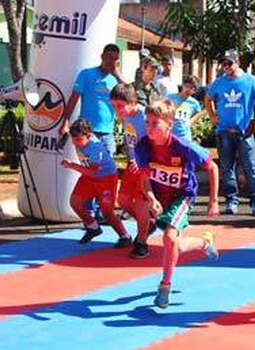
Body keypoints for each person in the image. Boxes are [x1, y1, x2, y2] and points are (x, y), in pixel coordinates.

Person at [133, 99, 220, 308]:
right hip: (161, 196)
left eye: (155, 123)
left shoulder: (184, 146)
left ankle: (165, 286)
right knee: (175, 244)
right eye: (148, 123)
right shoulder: (142, 146)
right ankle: (205, 243)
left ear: (169, 125)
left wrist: (213, 201)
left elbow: (213, 167)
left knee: (169, 237)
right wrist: (151, 199)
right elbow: (144, 179)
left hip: (183, 195)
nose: (150, 128)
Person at [205, 49, 255, 216]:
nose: (225, 66)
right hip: (224, 131)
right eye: (223, 63)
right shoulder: (219, 82)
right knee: (227, 168)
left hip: (245, 132)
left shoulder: (250, 81)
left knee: (250, 167)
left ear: (237, 62)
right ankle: (231, 200)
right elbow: (208, 98)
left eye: (229, 63)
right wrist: (212, 116)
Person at [60, 118, 132, 248]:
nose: (76, 143)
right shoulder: (79, 137)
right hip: (88, 177)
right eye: (73, 139)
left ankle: (125, 236)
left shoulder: (95, 147)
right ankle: (93, 227)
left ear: (88, 136)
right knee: (75, 202)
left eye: (79, 140)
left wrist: (72, 166)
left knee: (107, 212)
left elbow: (94, 172)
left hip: (106, 178)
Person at [110, 83, 153, 259]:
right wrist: (132, 158)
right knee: (123, 200)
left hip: (145, 166)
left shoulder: (145, 116)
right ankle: (147, 225)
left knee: (140, 204)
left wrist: (143, 162)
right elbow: (131, 141)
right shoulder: (126, 115)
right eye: (113, 106)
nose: (117, 110)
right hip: (132, 164)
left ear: (132, 101)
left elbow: (153, 142)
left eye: (119, 106)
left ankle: (142, 242)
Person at [59, 43, 124, 156]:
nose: (110, 61)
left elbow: (130, 96)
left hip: (107, 133)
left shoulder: (116, 80)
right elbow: (74, 98)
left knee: (107, 170)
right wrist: (65, 121)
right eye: (108, 57)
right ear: (102, 56)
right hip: (87, 131)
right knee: (89, 168)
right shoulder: (86, 74)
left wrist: (117, 75)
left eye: (114, 59)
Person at [166, 75, 202, 141]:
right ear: (182, 85)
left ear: (194, 90)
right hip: (169, 136)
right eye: (187, 86)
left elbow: (199, 113)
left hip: (185, 137)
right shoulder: (170, 97)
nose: (188, 89)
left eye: (191, 88)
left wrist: (191, 121)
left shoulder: (194, 103)